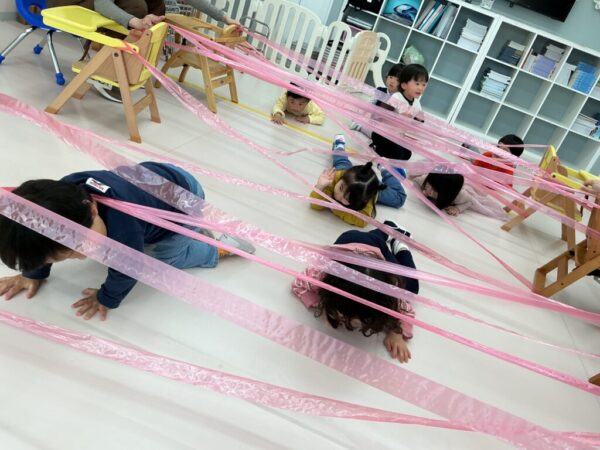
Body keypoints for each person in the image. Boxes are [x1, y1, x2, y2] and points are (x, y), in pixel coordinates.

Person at [0, 162, 255, 321]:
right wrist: (33, 271)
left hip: (185, 204)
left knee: (162, 258)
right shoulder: (65, 194)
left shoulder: (124, 231)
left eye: (78, 247)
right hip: (161, 176)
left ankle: (215, 248)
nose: (81, 256)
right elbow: (41, 236)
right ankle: (194, 232)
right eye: (65, 256)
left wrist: (106, 298)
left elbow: (130, 269)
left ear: (92, 209)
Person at [291, 222, 418, 363]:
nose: (348, 321)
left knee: (411, 288)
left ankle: (398, 243)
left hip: (376, 249)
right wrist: (320, 304)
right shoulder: (321, 274)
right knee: (372, 237)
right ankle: (384, 230)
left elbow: (407, 311)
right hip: (349, 239)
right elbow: (299, 284)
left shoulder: (388, 292)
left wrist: (396, 333)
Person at [310, 135, 407, 227]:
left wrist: (335, 208)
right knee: (341, 162)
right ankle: (339, 146)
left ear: (362, 200)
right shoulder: (335, 179)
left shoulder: (368, 197)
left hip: (370, 187)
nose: (339, 196)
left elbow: (362, 221)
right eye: (341, 188)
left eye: (347, 199)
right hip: (346, 173)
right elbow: (314, 204)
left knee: (399, 198)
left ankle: (386, 169)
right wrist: (319, 187)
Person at [47, 0, 241, 31]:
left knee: (157, 5)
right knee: (136, 6)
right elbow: (102, 3)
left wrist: (224, 18)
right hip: (68, 4)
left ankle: (132, 62)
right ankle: (109, 69)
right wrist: (135, 22)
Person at [370, 64, 428, 162]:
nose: (421, 88)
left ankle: (381, 150)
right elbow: (381, 114)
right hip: (382, 134)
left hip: (396, 137)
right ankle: (376, 148)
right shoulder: (397, 97)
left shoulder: (416, 103)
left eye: (424, 85)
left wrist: (419, 119)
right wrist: (397, 117)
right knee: (398, 154)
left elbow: (419, 121)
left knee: (407, 154)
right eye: (417, 84)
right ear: (404, 85)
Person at [412, 172, 506, 219]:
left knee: (478, 193)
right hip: (444, 180)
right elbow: (416, 181)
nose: (429, 190)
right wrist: (420, 193)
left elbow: (469, 201)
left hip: (463, 187)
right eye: (428, 186)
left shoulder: (459, 196)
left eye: (434, 191)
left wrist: (458, 208)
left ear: (447, 194)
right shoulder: (426, 180)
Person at [351, 62, 404, 137]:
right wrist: (359, 116)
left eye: (397, 80)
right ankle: (360, 126)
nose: (392, 81)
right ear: (387, 77)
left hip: (387, 126)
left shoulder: (399, 98)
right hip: (374, 122)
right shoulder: (380, 91)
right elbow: (369, 104)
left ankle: (364, 128)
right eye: (391, 77)